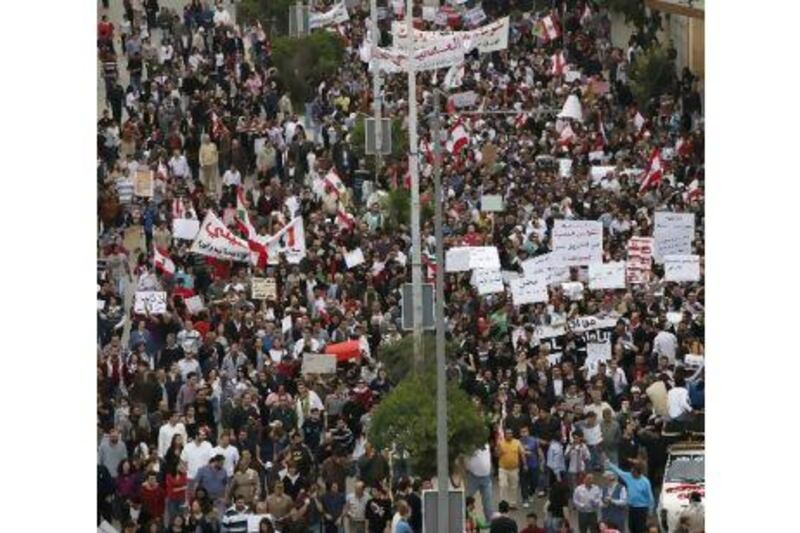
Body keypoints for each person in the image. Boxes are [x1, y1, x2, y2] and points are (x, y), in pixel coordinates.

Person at [605, 459, 655, 533]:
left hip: (642, 509)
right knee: (631, 527)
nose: (631, 474)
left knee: (640, 528)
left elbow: (650, 497)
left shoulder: (645, 482)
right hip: (631, 508)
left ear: (638, 473)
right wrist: (609, 463)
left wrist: (650, 511)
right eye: (631, 472)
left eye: (633, 472)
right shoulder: (629, 476)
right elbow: (619, 472)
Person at [496, 428, 525, 509]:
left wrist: (525, 464)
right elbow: (497, 455)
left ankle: (512, 504)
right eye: (507, 433)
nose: (509, 435)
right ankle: (504, 503)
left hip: (514, 469)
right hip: (503, 469)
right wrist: (498, 449)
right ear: (505, 434)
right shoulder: (500, 443)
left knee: (514, 486)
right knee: (503, 485)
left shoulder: (517, 442)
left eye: (510, 433)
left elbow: (522, 453)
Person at [465, 443, 494, 517]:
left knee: (488, 501)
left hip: (486, 477)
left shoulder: (487, 446)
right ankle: (462, 518)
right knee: (466, 498)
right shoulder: (471, 446)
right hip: (473, 477)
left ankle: (489, 520)